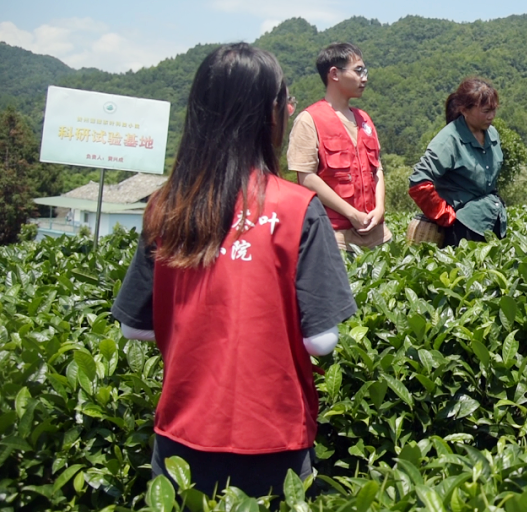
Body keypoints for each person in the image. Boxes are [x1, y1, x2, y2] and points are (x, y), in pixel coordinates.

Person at [111, 43, 357, 498]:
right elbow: (320, 340)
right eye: (285, 100)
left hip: (180, 438)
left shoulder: (167, 206)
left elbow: (133, 327)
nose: (290, 108)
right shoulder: (298, 207)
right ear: (268, 114)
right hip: (274, 438)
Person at [287, 42, 390, 250]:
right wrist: (351, 213)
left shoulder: (364, 119)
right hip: (336, 238)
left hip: (378, 236)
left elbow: (376, 169)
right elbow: (306, 178)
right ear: (334, 74)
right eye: (358, 71)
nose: (365, 78)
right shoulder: (309, 120)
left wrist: (379, 208)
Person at [408, 77, 507, 246]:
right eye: (485, 111)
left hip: (492, 221)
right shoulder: (449, 139)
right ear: (464, 110)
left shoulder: (492, 134)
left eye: (494, 110)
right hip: (462, 229)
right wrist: (444, 214)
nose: (491, 116)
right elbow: (418, 181)